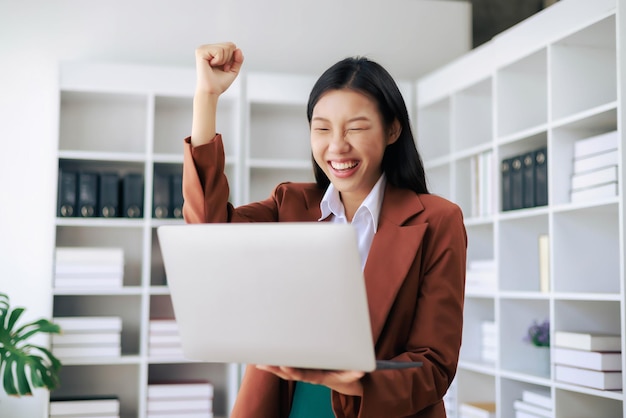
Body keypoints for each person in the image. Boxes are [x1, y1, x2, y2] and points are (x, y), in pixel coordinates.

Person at [182, 42, 467, 418]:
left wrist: (357, 383)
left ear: (392, 130)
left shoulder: (437, 220)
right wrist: (207, 97)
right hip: (284, 405)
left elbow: (435, 366)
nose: (337, 146)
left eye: (357, 128)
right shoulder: (289, 205)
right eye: (322, 129)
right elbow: (209, 232)